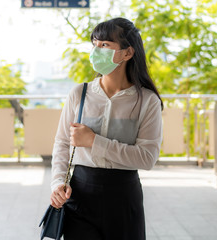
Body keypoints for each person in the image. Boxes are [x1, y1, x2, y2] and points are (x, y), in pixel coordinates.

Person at [50, 17, 163, 240]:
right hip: (80, 195)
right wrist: (57, 183)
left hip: (123, 197)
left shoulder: (147, 101)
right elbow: (62, 143)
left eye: (105, 45)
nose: (96, 50)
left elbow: (147, 158)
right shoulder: (79, 94)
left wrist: (94, 142)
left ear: (127, 53)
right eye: (95, 44)